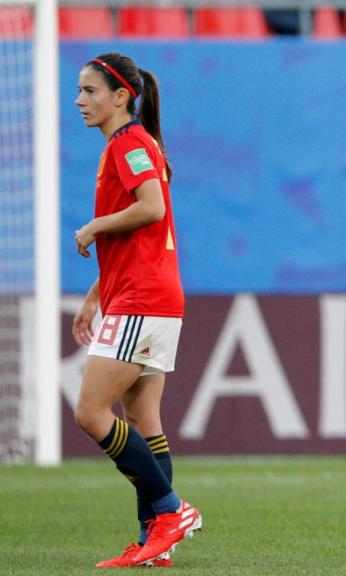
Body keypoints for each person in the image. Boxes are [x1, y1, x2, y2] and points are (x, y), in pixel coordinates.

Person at [72, 52, 202, 568]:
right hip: (147, 295)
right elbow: (139, 236)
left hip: (142, 301)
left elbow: (151, 207)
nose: (80, 101)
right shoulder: (134, 144)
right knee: (144, 417)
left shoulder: (128, 143)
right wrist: (93, 297)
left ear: (121, 96)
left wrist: (92, 227)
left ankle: (171, 512)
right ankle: (157, 543)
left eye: (89, 91)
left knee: (89, 412)